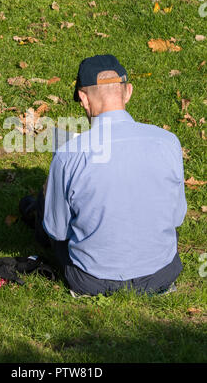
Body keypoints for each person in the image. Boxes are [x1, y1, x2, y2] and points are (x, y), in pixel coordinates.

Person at [20, 55, 187, 297]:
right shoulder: (168, 142)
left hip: (91, 280)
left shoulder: (67, 155)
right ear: (128, 92)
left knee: (48, 212)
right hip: (161, 274)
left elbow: (57, 232)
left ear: (84, 99)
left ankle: (34, 208)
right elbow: (176, 216)